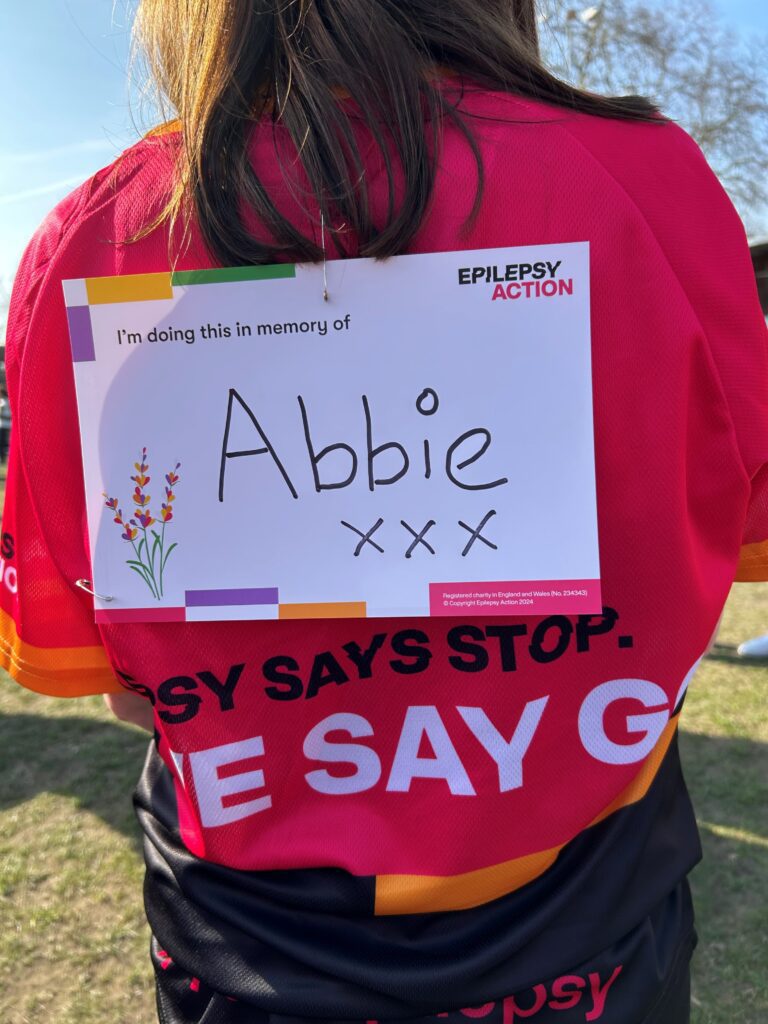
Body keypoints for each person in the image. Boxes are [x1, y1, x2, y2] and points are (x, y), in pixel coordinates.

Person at [2, 2, 768, 1022]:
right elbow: (724, 547)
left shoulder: (99, 235)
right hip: (591, 935)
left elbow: (127, 692)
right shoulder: (649, 181)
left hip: (251, 951)